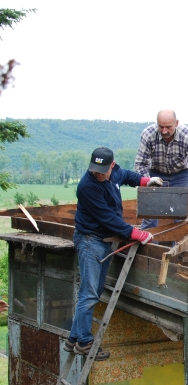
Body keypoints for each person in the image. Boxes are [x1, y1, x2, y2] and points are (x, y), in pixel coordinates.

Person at [63, 147, 163, 361]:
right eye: (95, 170)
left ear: (112, 165)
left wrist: (146, 181)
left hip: (103, 241)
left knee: (93, 292)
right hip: (91, 240)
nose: (98, 174)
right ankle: (84, 343)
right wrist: (136, 233)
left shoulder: (115, 172)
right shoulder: (87, 187)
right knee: (89, 293)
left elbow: (127, 175)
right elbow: (108, 218)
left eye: (103, 170)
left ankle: (73, 337)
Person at [134, 109, 188, 230]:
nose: (164, 131)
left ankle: (178, 248)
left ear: (176, 123)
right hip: (155, 174)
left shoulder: (187, 136)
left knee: (180, 214)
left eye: (168, 127)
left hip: (180, 175)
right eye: (161, 127)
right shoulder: (148, 134)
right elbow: (140, 164)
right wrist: (148, 181)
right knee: (150, 212)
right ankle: (149, 246)